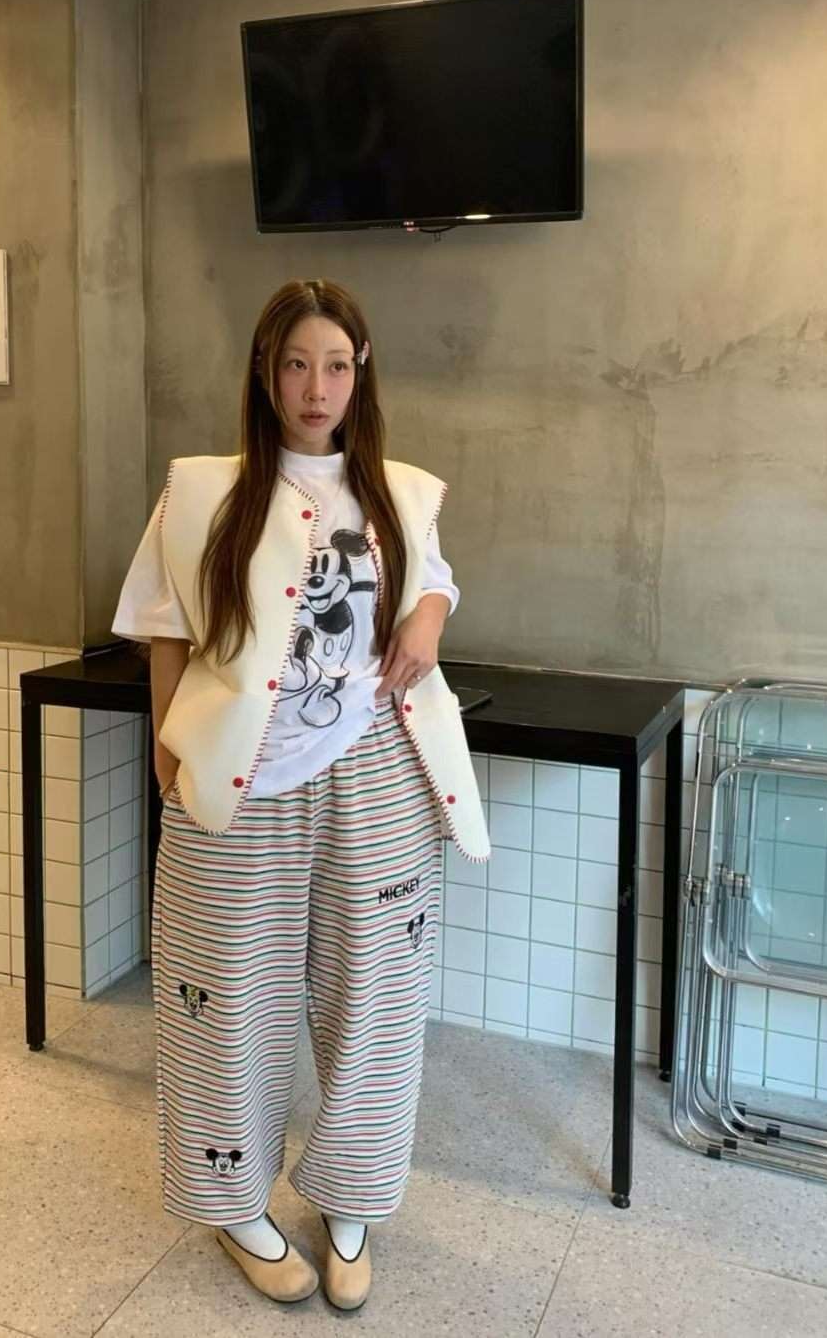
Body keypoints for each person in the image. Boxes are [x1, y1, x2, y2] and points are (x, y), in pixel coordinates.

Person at [112, 278, 490, 1311]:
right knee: (223, 996)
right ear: (264, 372)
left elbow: (434, 580)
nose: (315, 387)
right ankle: (236, 1205)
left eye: (335, 364)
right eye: (294, 364)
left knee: (375, 999)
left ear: (360, 372)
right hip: (240, 785)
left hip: (380, 777)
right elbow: (163, 626)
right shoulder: (202, 493)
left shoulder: (402, 492)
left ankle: (353, 1202)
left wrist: (429, 619)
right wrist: (166, 752)